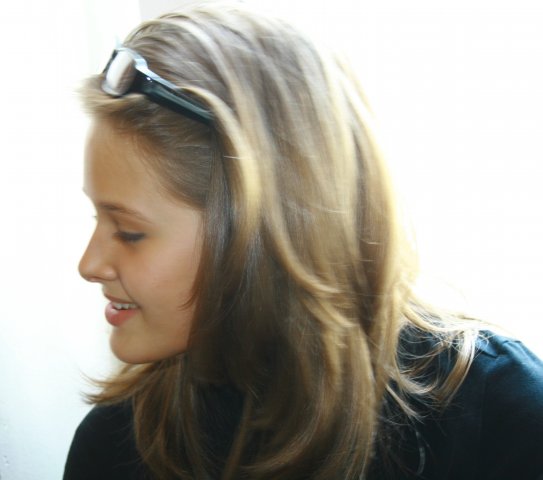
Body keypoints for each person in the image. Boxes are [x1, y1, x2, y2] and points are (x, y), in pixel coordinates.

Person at [64, 2, 543, 479]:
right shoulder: (115, 446)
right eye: (96, 217)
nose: (89, 264)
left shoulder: (498, 417)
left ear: (265, 230)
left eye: (129, 232)